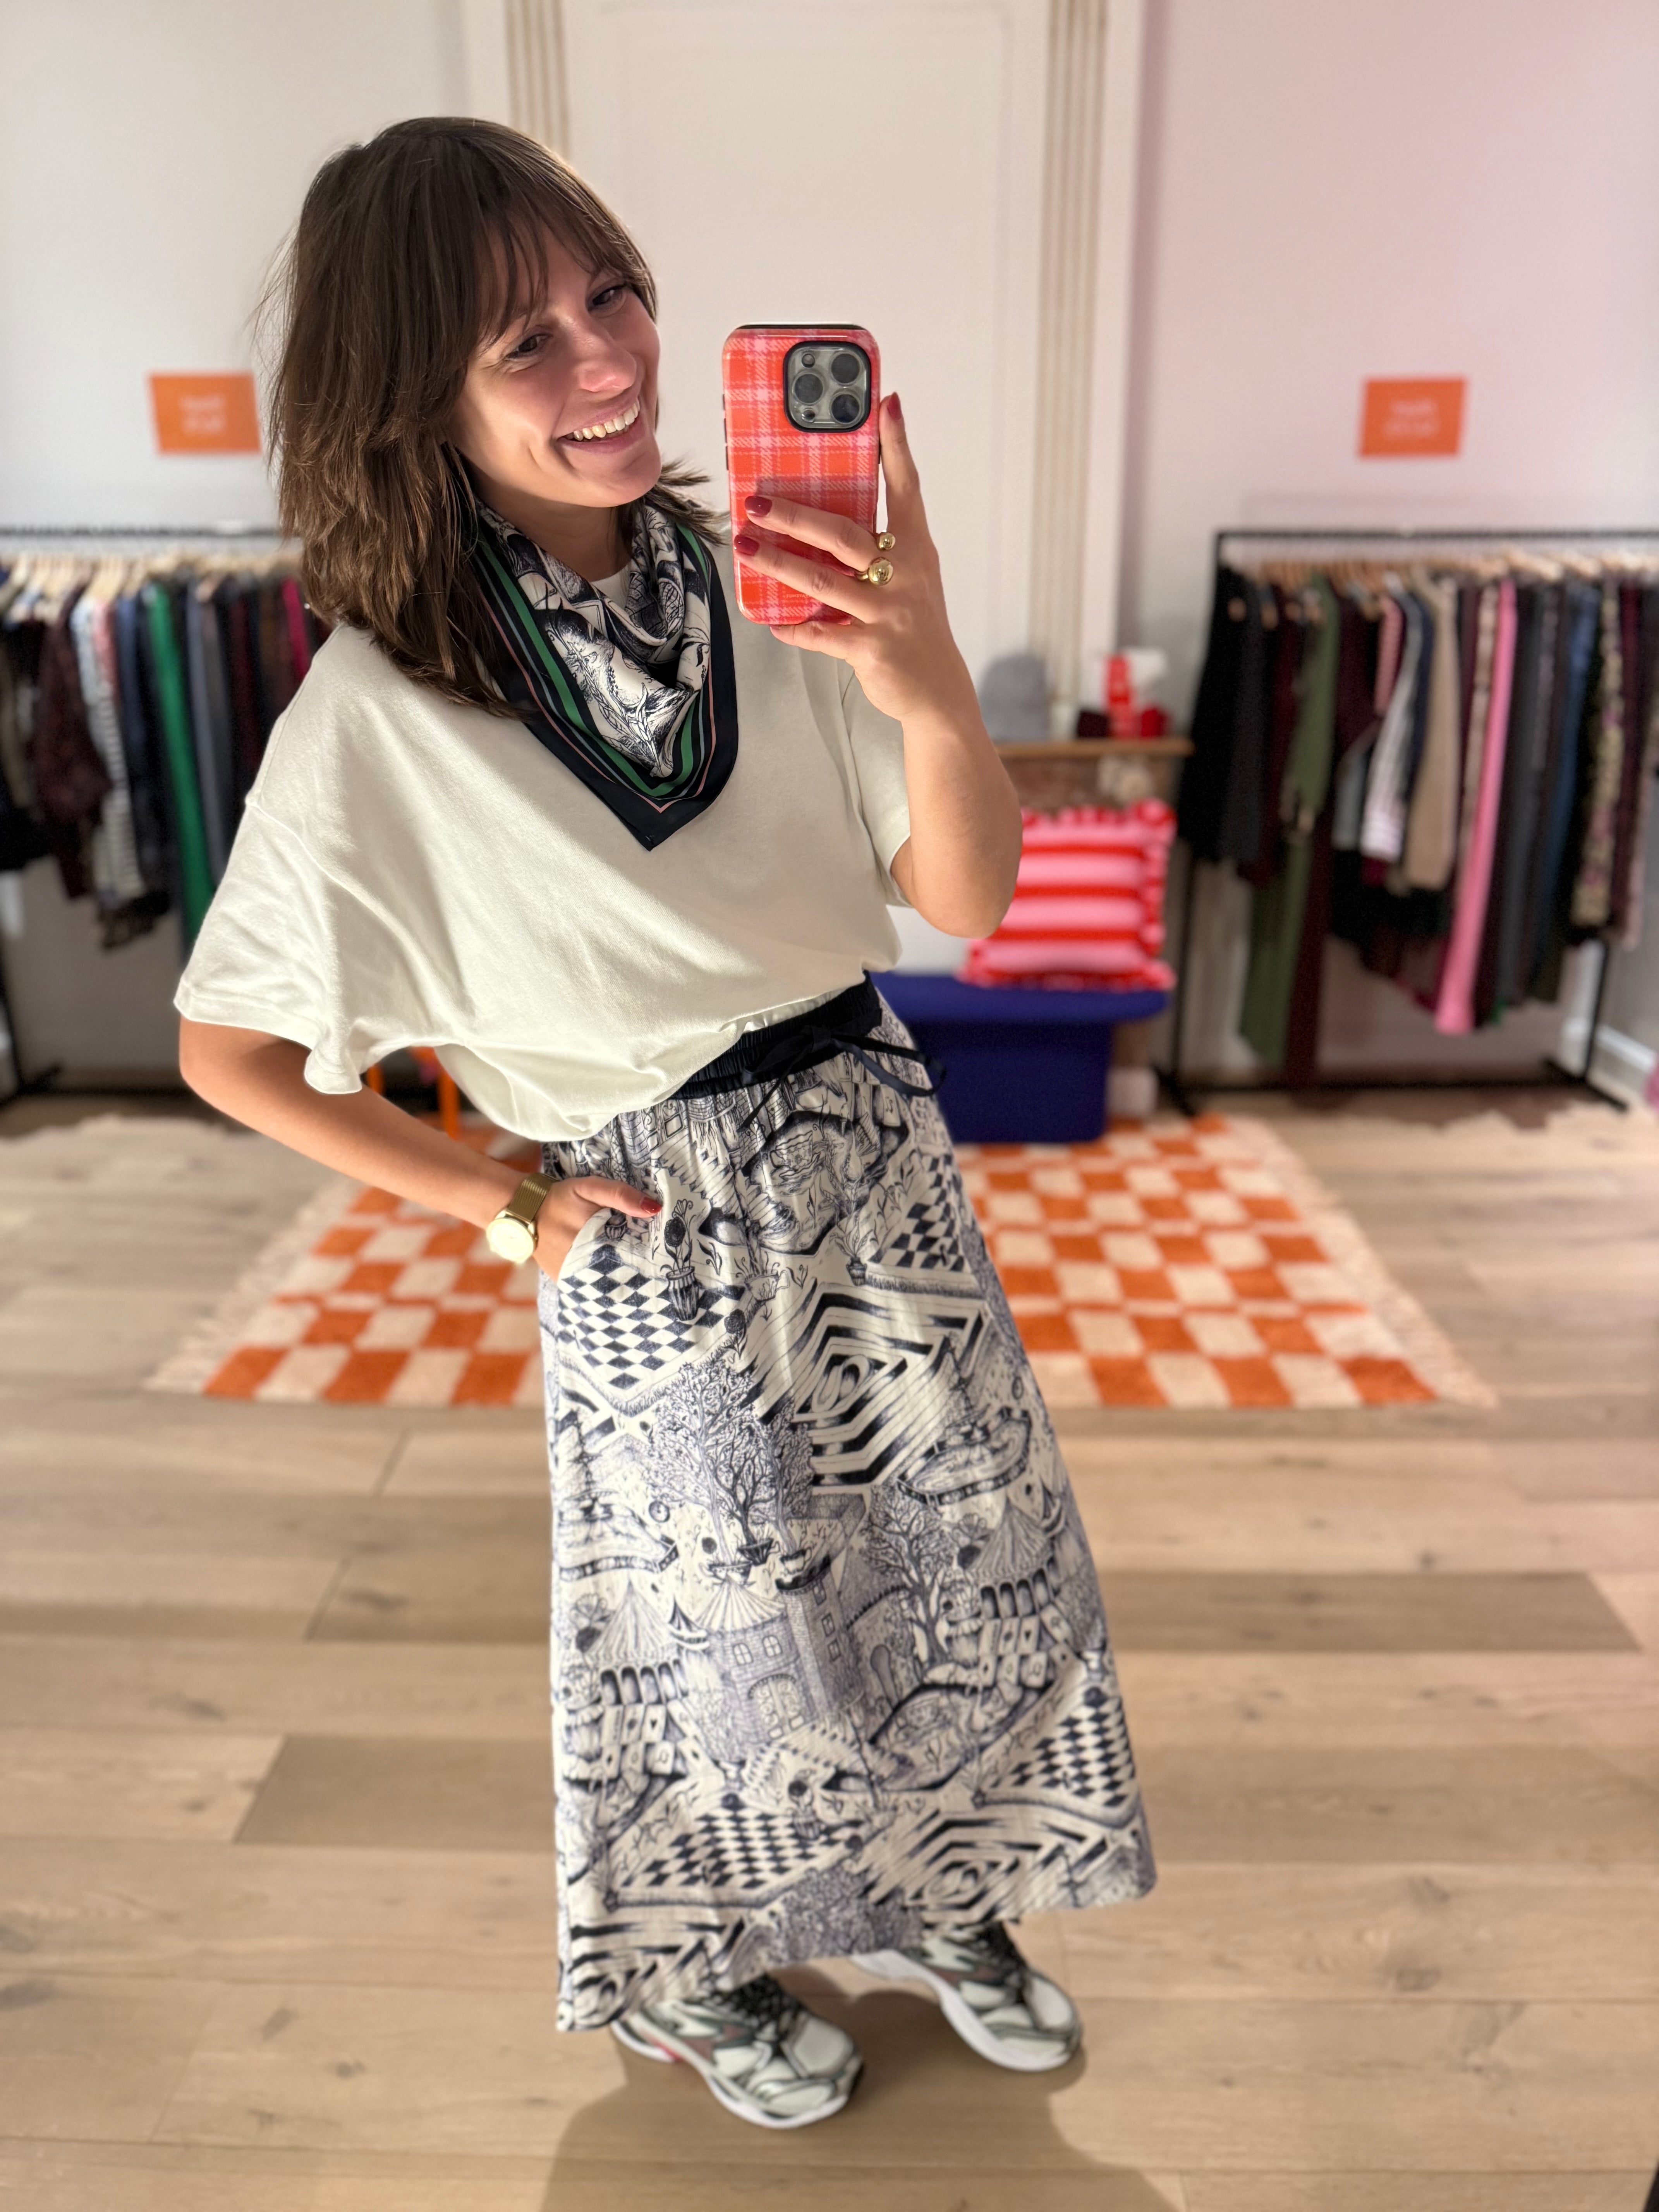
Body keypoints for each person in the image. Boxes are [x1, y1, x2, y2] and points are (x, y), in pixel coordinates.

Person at [176, 117, 1156, 2131]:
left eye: (612, 293)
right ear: (415, 396)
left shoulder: (780, 588)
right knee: (713, 1637)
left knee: (960, 1568)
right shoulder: (378, 711)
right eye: (526, 340)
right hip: (644, 1219)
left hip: (873, 1158)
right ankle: (705, 1977)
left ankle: (950, 1901)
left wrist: (925, 669)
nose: (610, 358)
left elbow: (966, 902)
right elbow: (232, 1052)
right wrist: (500, 1200)